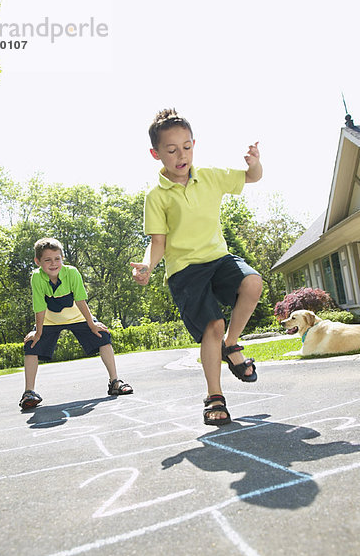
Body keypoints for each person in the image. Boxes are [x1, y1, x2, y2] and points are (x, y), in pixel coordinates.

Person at [131, 108, 263, 426]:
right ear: (156, 153)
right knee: (212, 327)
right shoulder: (156, 197)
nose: (181, 155)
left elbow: (252, 177)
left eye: (187, 147)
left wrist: (255, 163)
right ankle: (214, 396)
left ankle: (231, 344)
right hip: (185, 271)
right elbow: (158, 242)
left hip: (218, 259)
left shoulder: (212, 176)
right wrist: (148, 265)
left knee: (253, 283)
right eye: (172, 150)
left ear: (194, 144)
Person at [21, 237, 133, 410]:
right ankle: (29, 392)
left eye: (57, 258)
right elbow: (40, 306)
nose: (53, 263)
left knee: (102, 335)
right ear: (38, 262)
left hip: (77, 317)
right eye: (47, 260)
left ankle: (115, 382)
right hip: (50, 321)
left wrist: (92, 324)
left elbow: (81, 301)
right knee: (31, 345)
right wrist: (38, 332)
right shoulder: (36, 278)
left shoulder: (72, 273)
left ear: (62, 258)